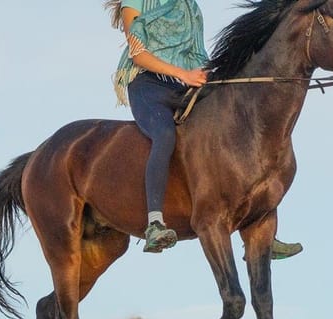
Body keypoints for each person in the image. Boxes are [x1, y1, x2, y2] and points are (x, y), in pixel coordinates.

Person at [106, 0, 303, 258]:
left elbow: (195, 51)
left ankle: (262, 227)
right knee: (164, 135)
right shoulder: (134, 3)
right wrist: (183, 74)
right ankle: (154, 223)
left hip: (186, 84)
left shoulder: (188, 5)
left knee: (236, 125)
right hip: (148, 86)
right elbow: (138, 54)